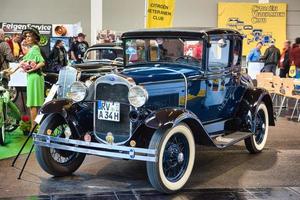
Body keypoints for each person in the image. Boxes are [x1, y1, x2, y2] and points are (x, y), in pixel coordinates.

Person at [7, 27, 45, 131]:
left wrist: (31, 70)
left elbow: (42, 62)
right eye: (26, 36)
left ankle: (34, 130)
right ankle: (36, 129)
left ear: (34, 37)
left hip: (34, 78)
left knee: (33, 104)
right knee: (35, 104)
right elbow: (22, 63)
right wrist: (12, 71)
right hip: (34, 77)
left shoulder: (35, 48)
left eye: (29, 36)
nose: (27, 38)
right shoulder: (32, 49)